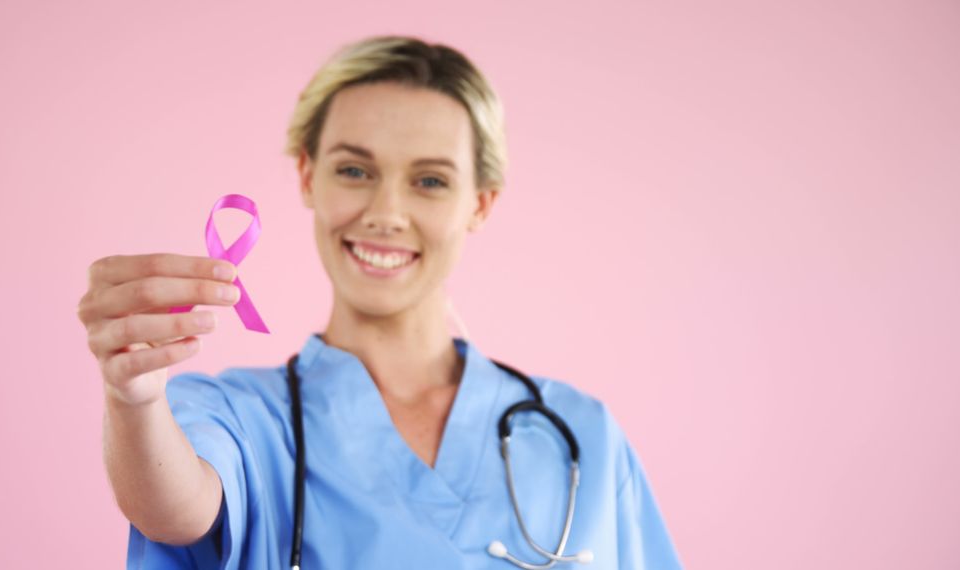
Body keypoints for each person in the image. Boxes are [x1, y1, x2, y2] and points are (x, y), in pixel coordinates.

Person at [78, 34, 683, 569]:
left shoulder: (581, 435)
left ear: (480, 203)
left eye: (430, 181)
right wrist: (131, 398)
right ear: (309, 176)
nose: (386, 214)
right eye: (355, 171)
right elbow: (175, 510)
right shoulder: (239, 420)